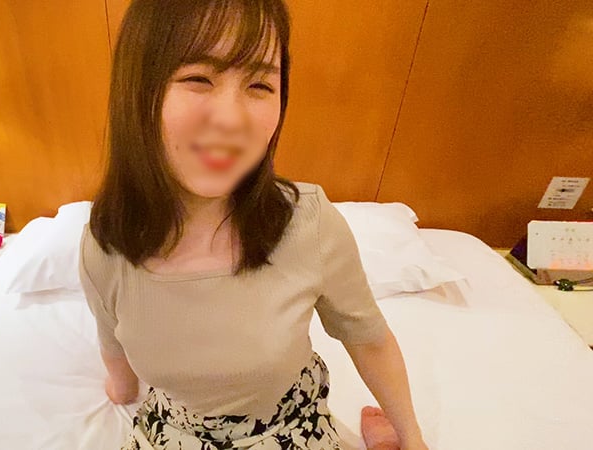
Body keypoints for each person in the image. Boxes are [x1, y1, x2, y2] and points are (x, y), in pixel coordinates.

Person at [79, 0, 427, 448]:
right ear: (138, 88)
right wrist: (121, 391)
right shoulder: (106, 244)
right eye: (198, 79)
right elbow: (114, 345)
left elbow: (369, 339)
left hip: (289, 427)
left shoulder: (309, 224)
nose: (231, 120)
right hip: (176, 430)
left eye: (260, 85)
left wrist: (413, 440)